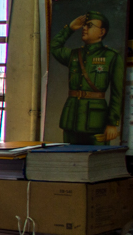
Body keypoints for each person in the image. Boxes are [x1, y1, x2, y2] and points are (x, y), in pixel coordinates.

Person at [49, 11, 122, 144]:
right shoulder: (74, 55)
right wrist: (70, 28)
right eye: (84, 26)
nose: (84, 28)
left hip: (96, 121)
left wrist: (112, 123)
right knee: (70, 160)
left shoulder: (111, 57)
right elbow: (54, 47)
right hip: (72, 120)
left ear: (101, 32)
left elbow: (118, 93)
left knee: (96, 161)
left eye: (90, 25)